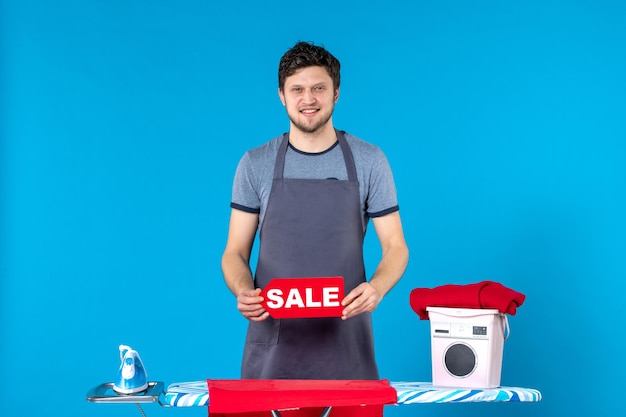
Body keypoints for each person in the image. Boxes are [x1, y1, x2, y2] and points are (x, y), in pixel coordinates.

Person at [221, 41, 409, 380]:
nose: (308, 99)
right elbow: (234, 252)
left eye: (319, 88)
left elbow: (396, 247)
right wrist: (243, 290)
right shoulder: (255, 163)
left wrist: (376, 288)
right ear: (281, 94)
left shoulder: (369, 161)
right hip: (273, 350)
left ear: (336, 93)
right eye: (297, 89)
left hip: (348, 345)